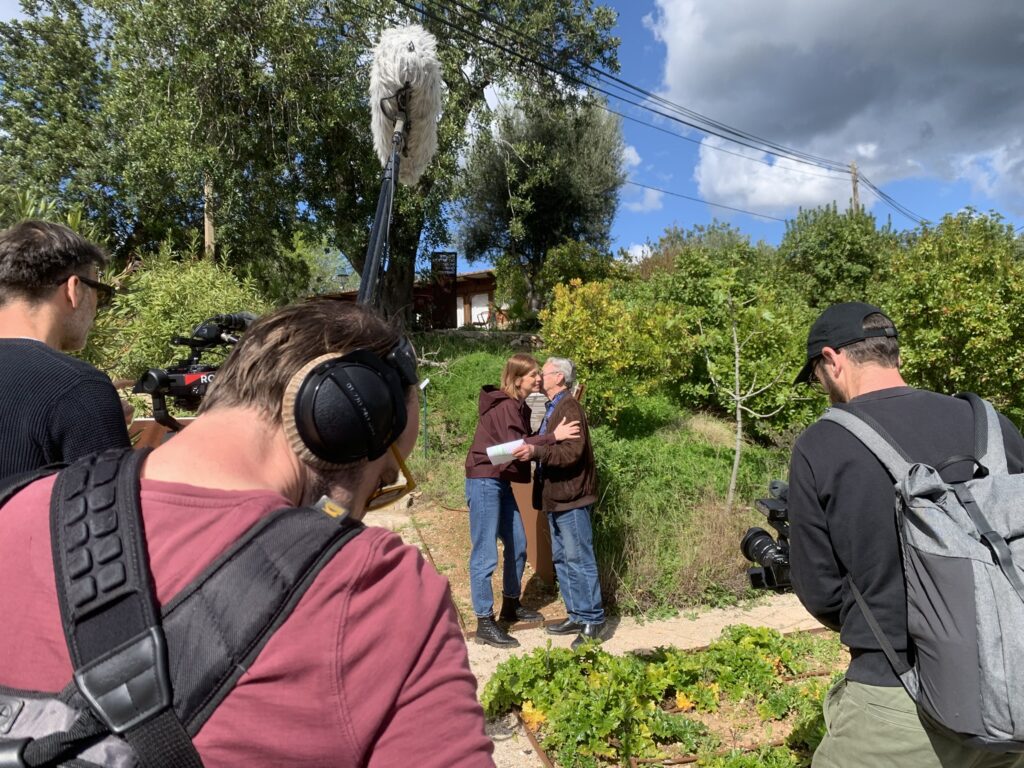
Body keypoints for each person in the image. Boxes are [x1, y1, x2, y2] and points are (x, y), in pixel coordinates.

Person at [0, 297, 495, 767]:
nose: (364, 511)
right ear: (339, 418)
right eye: (382, 479)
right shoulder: (377, 588)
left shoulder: (15, 507)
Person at [788, 301, 1024, 768]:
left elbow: (821, 594)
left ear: (832, 359)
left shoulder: (822, 443)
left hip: (899, 698)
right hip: (1014, 689)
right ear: (892, 352)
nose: (823, 386)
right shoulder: (995, 426)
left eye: (817, 374)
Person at [0, 219, 131, 481]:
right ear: (74, 289)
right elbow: (112, 501)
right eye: (100, 293)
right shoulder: (80, 387)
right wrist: (91, 408)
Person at [464, 353, 579, 648]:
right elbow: (512, 449)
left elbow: (520, 442)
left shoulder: (520, 406)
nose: (538, 378)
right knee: (485, 553)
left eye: (539, 373)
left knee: (517, 543)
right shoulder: (505, 406)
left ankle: (511, 604)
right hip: (484, 480)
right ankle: (484, 622)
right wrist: (554, 436)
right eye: (532, 375)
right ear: (517, 380)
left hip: (499, 480)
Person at [515, 356, 603, 651]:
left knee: (579, 559)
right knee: (563, 560)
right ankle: (576, 615)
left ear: (559, 378)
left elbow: (571, 453)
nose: (540, 376)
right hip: (557, 498)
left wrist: (536, 453)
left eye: (545, 372)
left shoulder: (569, 407)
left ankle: (593, 619)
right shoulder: (554, 406)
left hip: (572, 498)